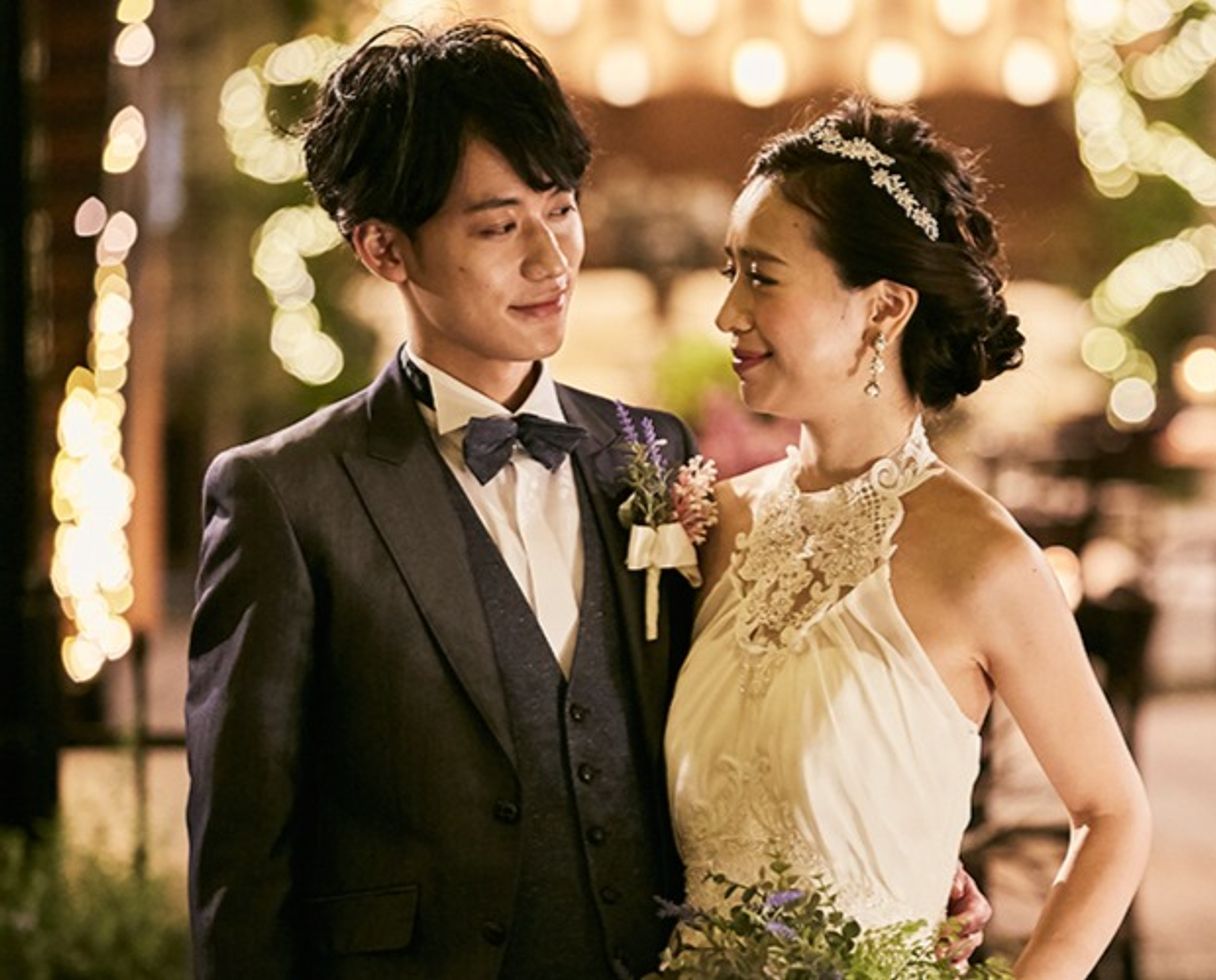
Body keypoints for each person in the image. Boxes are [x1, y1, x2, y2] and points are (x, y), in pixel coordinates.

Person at [185, 22, 987, 979]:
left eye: (561, 209)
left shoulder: (653, 455)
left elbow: (751, 718)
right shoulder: (285, 497)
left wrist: (898, 860)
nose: (551, 259)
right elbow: (241, 873)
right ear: (385, 249)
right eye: (498, 227)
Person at [666, 97, 1152, 978]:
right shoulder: (714, 523)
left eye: (762, 277)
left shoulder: (983, 559)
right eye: (729, 271)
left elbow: (1113, 814)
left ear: (883, 308)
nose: (727, 313)